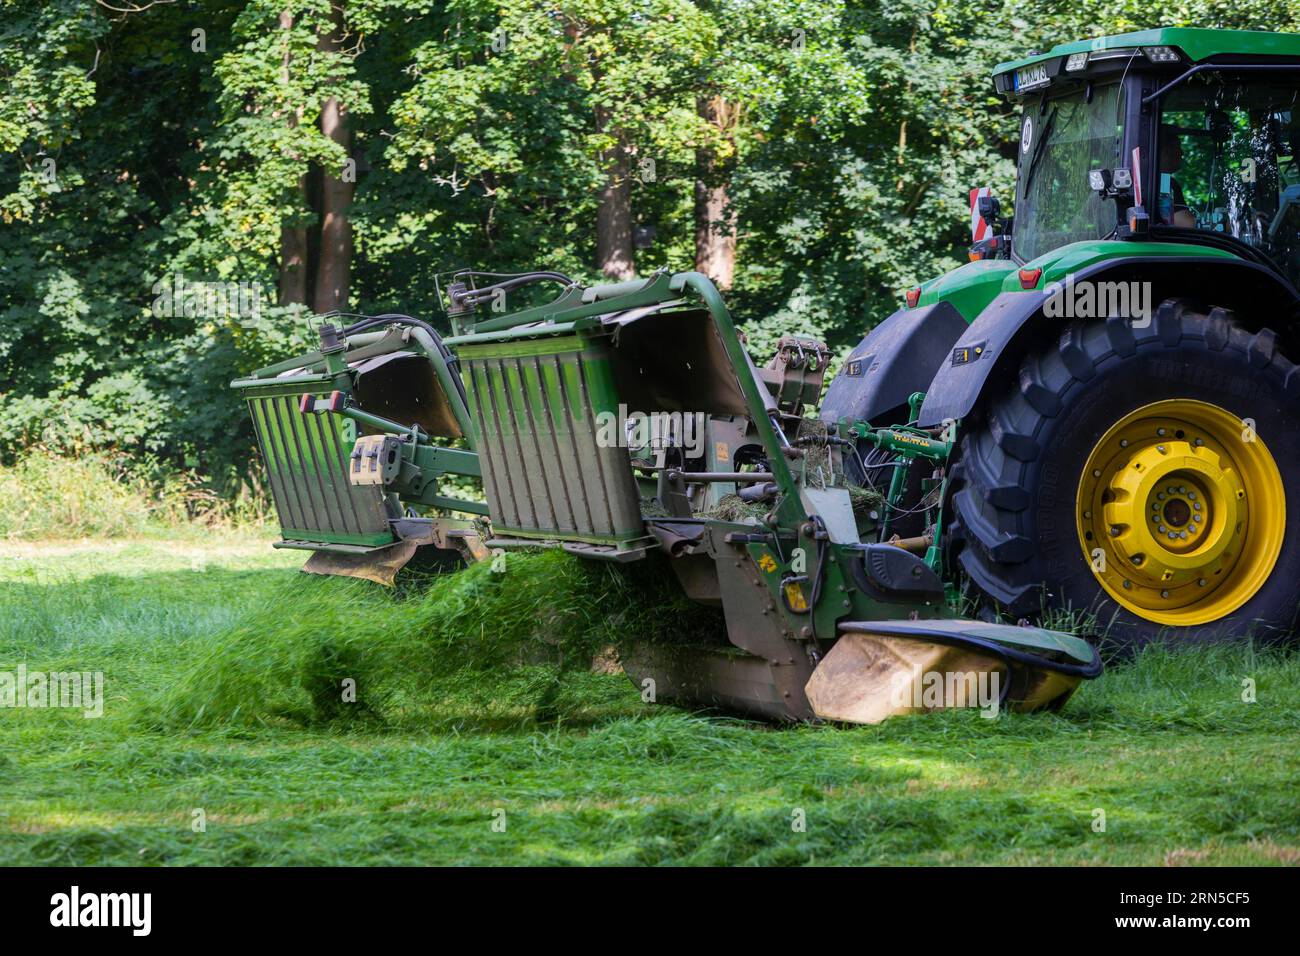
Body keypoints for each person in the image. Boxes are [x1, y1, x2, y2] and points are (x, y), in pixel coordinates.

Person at [1157, 126, 1198, 228]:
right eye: (1178, 147)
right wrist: (1226, 224)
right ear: (1165, 153)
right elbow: (1187, 224)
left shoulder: (1160, 180)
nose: (1181, 153)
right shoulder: (1164, 182)